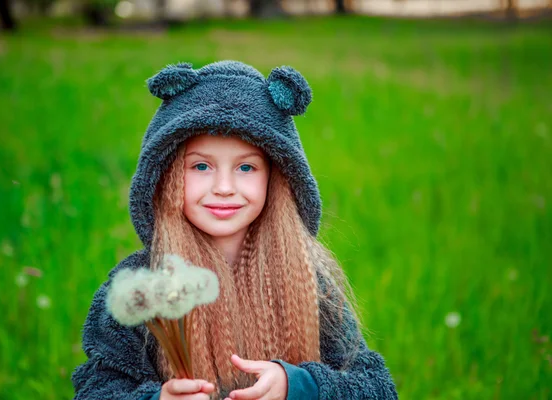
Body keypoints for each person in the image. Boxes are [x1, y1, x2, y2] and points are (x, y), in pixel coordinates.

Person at [72, 60, 398, 400]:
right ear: (167, 175)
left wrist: (300, 386)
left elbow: (377, 388)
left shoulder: (306, 280)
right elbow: (96, 390)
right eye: (201, 166)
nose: (224, 187)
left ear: (276, 177)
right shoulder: (142, 285)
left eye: (246, 167)